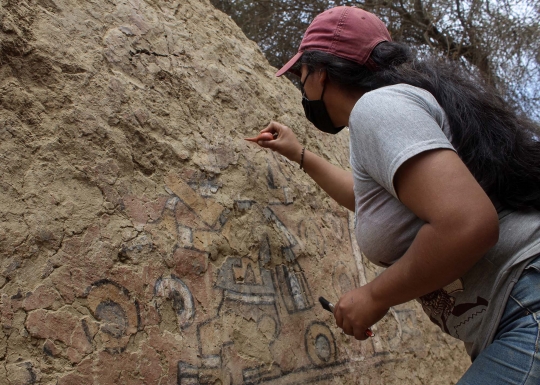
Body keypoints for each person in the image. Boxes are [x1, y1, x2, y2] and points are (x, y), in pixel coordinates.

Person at [251, 6, 540, 384]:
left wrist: (375, 295)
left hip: (527, 306)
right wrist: (300, 154)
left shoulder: (377, 109)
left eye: (300, 74)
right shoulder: (393, 110)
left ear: (320, 72)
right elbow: (377, 203)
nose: (301, 87)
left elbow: (466, 223)